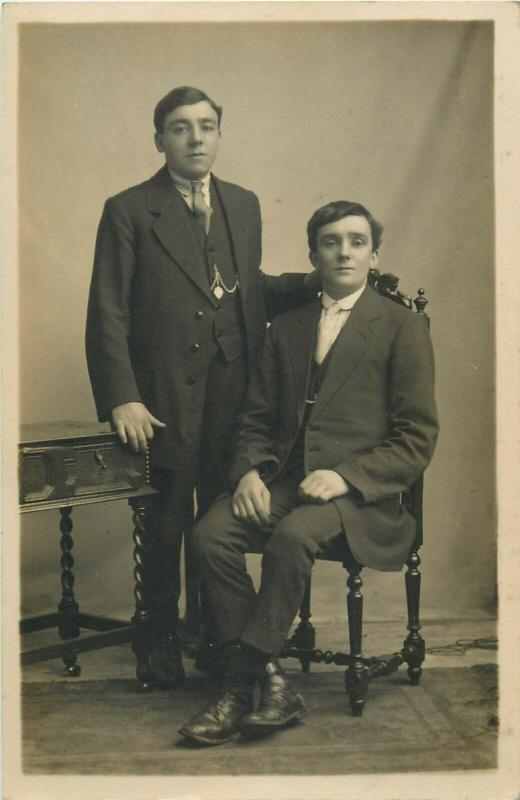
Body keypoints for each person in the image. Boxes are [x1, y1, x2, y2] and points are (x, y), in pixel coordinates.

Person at [178, 200, 439, 745]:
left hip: (360, 498)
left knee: (294, 536)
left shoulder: (402, 326)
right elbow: (253, 418)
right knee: (210, 534)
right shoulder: (287, 327)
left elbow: (416, 436)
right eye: (330, 241)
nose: (344, 251)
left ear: (374, 253)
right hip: (286, 484)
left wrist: (346, 478)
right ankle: (273, 682)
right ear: (312, 254)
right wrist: (249, 472)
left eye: (356, 241)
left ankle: (238, 684)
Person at [85, 86, 316, 689]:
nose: (195, 139)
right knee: (164, 522)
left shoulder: (243, 203)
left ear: (220, 134)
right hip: (160, 398)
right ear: (159, 138)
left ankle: (213, 636)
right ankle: (157, 641)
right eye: (181, 128)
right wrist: (121, 396)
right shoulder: (130, 208)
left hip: (233, 394)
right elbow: (107, 309)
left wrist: (317, 285)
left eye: (207, 127)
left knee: (218, 516)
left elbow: (248, 290)